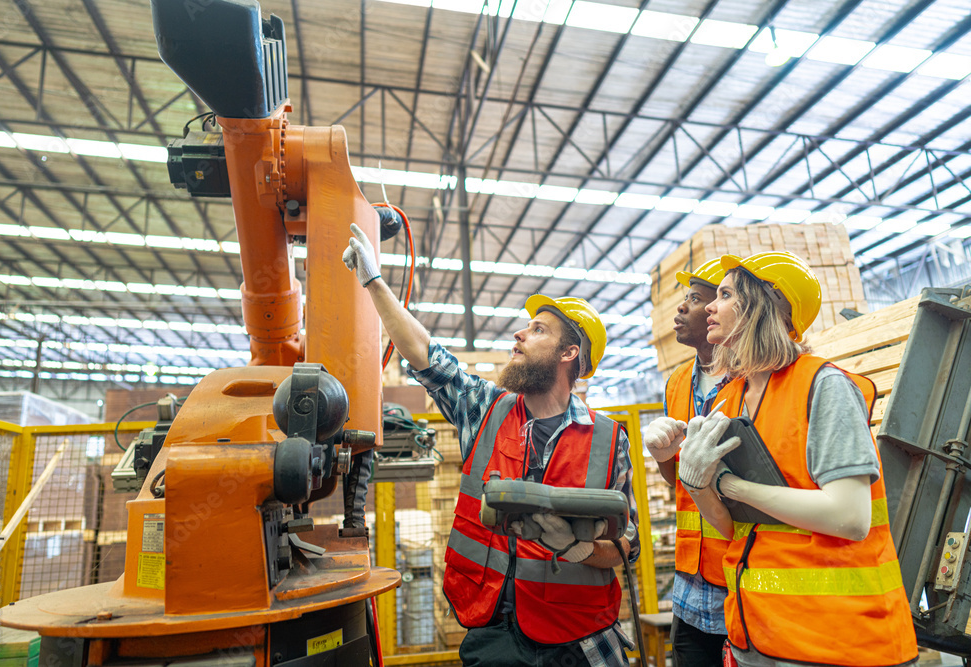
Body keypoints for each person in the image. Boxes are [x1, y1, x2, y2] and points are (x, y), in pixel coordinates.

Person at [343, 224, 640, 667]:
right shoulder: (487, 408)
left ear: (569, 354)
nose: (519, 335)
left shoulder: (609, 439)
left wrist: (575, 548)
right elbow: (425, 353)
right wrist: (374, 282)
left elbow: (625, 546)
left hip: (579, 640)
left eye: (537, 329)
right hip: (494, 630)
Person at [677, 251, 918, 667]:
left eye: (725, 294)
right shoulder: (729, 399)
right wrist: (697, 486)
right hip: (758, 635)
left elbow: (850, 516)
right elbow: (731, 525)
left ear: (761, 306)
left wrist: (733, 486)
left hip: (837, 640)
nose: (710, 307)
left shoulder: (822, 385)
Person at [641, 258, 731, 667]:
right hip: (690, 583)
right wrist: (663, 458)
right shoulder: (677, 382)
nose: (681, 308)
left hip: (740, 576)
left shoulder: (753, 377)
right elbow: (679, 479)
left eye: (695, 299)